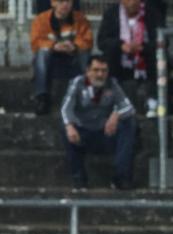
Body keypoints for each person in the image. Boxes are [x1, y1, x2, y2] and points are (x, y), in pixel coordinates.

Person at [61, 55, 138, 191]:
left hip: (105, 132)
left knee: (129, 124)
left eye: (104, 71)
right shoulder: (78, 83)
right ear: (88, 71)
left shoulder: (112, 84)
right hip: (83, 131)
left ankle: (120, 178)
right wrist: (69, 126)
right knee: (66, 129)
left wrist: (116, 115)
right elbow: (65, 108)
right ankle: (79, 180)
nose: (100, 74)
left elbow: (129, 107)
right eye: (96, 70)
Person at [97, 0, 163, 119]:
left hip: (145, 58)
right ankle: (109, 100)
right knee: (106, 58)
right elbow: (102, 42)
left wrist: (142, 47)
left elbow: (162, 41)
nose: (132, 3)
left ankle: (153, 101)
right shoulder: (111, 13)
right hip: (119, 58)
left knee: (159, 59)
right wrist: (121, 46)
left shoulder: (151, 13)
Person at [30, 0, 92, 115]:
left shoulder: (80, 19)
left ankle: (89, 93)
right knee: (42, 53)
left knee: (85, 52)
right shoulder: (41, 19)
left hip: (73, 56)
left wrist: (75, 46)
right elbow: (36, 42)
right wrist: (54, 46)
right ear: (53, 3)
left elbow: (87, 40)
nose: (65, 5)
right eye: (61, 1)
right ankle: (42, 98)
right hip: (52, 57)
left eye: (68, 1)